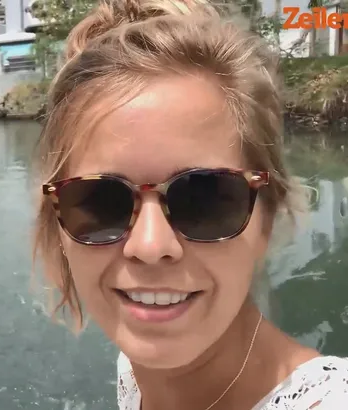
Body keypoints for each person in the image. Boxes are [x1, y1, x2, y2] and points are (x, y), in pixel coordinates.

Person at [32, 0, 348, 408]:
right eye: (102, 201)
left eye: (204, 198)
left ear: (268, 218)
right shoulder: (133, 370)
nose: (149, 246)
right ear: (56, 224)